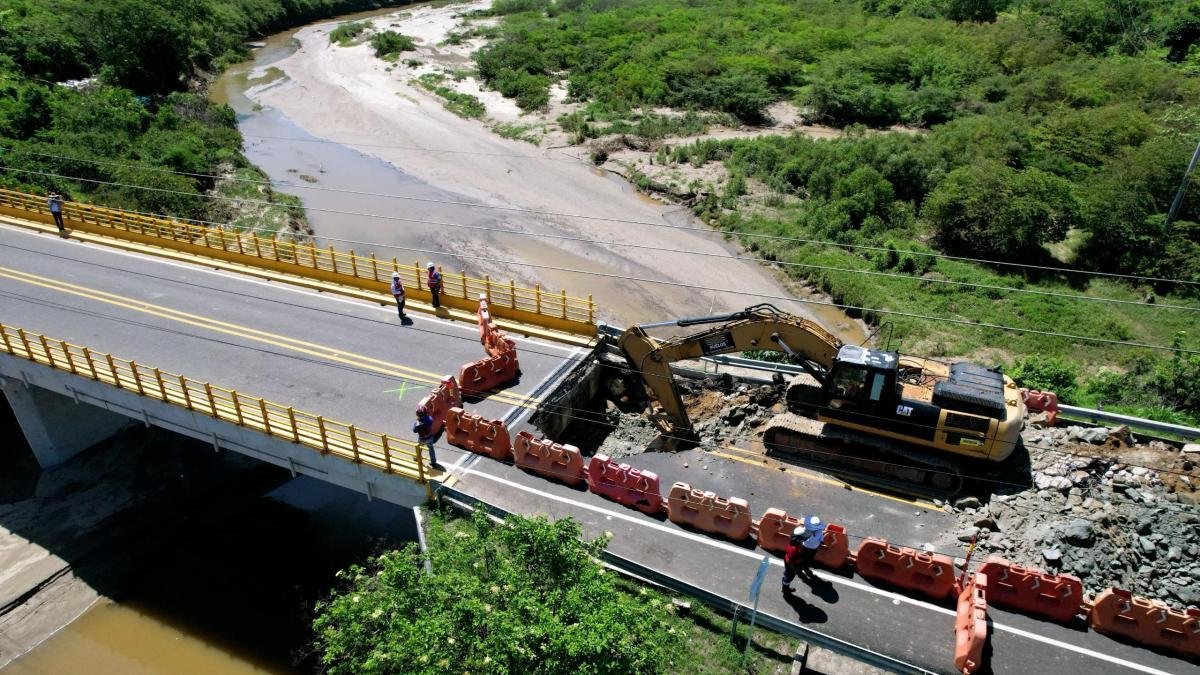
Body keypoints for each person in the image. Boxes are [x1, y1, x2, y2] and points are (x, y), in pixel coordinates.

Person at [782, 515, 825, 594]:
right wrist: (797, 567)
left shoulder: (793, 544)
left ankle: (787, 581)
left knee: (788, 574)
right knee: (789, 576)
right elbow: (794, 560)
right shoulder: (795, 549)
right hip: (792, 563)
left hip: (790, 560)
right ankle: (785, 589)